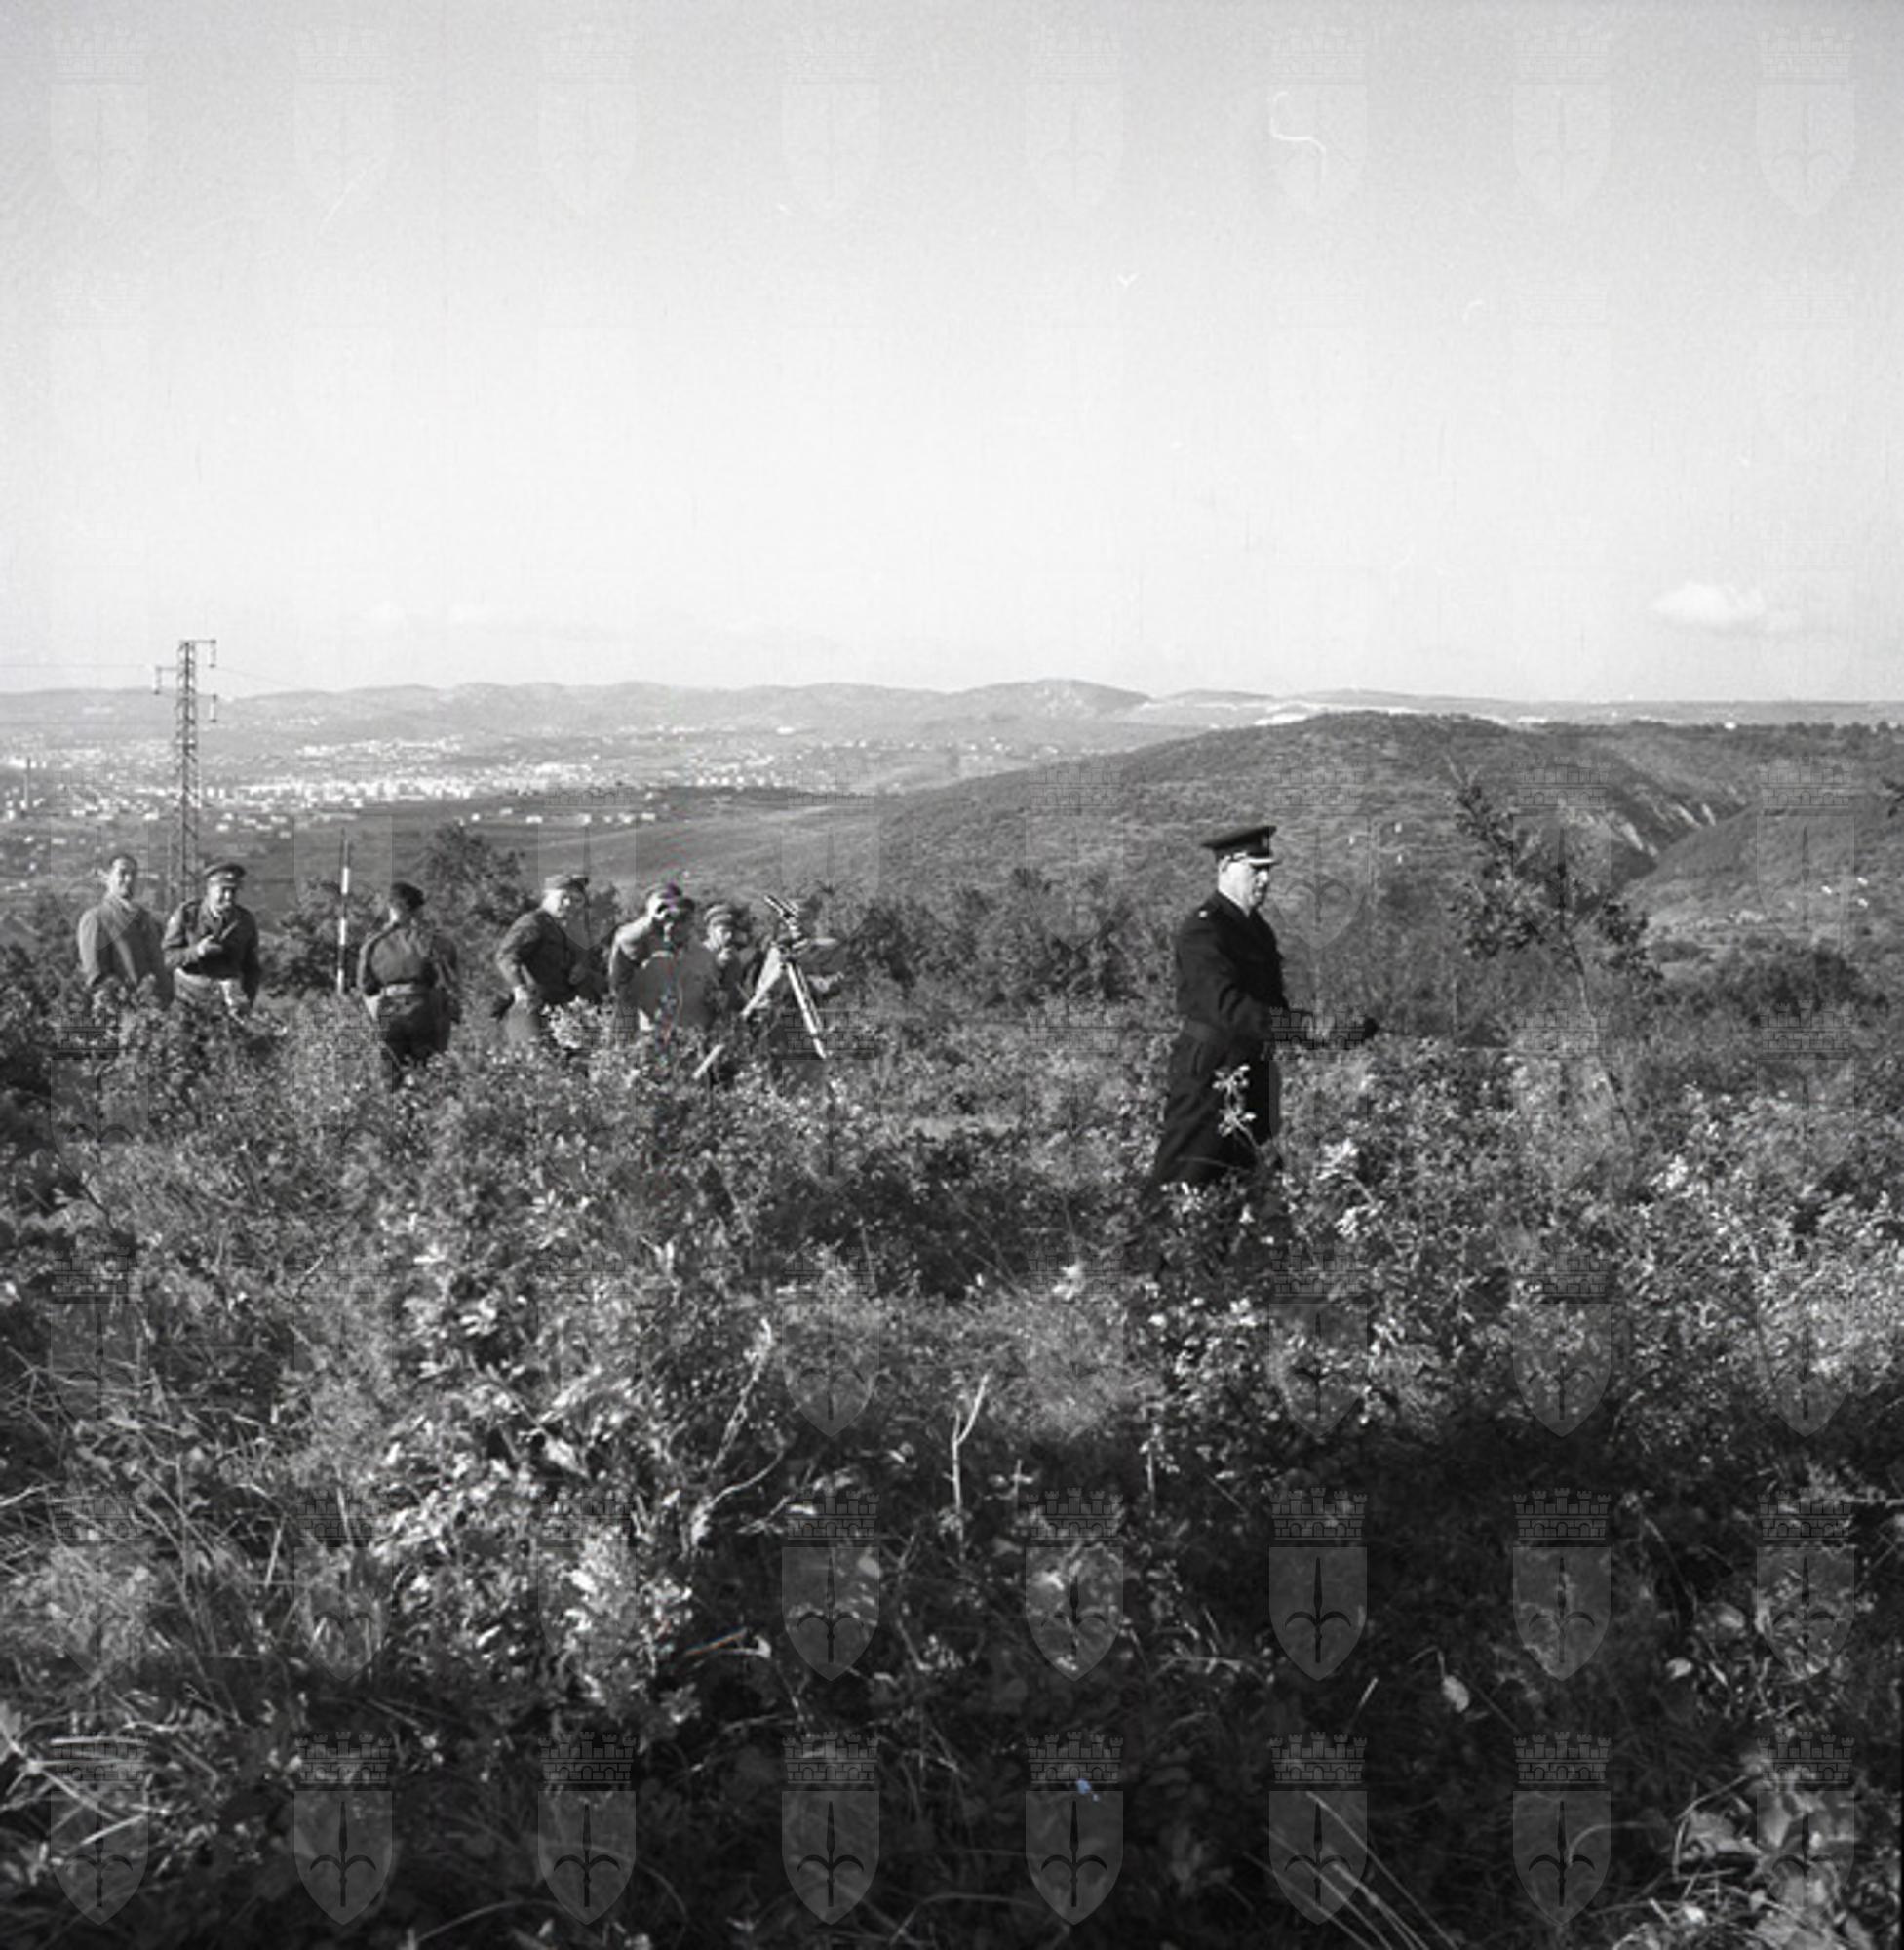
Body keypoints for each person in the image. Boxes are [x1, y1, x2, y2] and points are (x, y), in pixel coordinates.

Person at [1141, 821, 1375, 1221]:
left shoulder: (1257, 930)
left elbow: (1272, 1009)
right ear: (1225, 867)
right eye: (1256, 869)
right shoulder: (1203, 930)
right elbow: (1229, 1009)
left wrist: (1333, 1032)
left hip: (1256, 1076)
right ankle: (1147, 1260)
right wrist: (1308, 1028)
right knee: (1182, 1186)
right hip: (1211, 1076)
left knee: (1249, 1192)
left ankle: (1227, 1260)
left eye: (1269, 870)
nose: (1266, 879)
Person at [358, 881, 459, 1080]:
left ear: (391, 908)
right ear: (419, 910)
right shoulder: (435, 942)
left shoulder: (372, 944)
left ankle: (394, 1098)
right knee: (427, 1070)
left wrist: (378, 1014)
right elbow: (450, 982)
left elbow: (365, 988)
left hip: (387, 1008)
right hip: (423, 1007)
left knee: (391, 1074)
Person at [495, 873, 592, 1050]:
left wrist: (581, 967)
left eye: (574, 899)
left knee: (573, 1060)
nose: (568, 904)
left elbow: (581, 958)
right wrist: (519, 988)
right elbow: (506, 956)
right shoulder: (533, 923)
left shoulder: (568, 929)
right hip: (531, 1008)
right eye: (563, 897)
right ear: (547, 896)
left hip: (561, 1009)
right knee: (536, 1059)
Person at [163, 860, 262, 1017]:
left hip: (227, 1006)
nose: (229, 897)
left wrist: (246, 1001)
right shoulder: (187, 914)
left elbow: (252, 969)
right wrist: (196, 951)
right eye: (223, 890)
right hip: (189, 1002)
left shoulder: (245, 921)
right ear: (209, 889)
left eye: (233, 891)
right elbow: (167, 958)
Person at [76, 853, 172, 1009]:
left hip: (160, 1011)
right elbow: (97, 977)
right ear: (106, 877)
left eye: (133, 874)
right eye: (122, 873)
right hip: (123, 1012)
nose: (128, 879)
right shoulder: (96, 918)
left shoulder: (148, 919)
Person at [607, 883, 698, 1042]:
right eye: (662, 903)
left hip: (673, 1016)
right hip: (634, 1012)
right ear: (648, 905)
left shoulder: (680, 935)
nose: (667, 909)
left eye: (672, 903)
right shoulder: (634, 933)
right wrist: (652, 920)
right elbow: (625, 940)